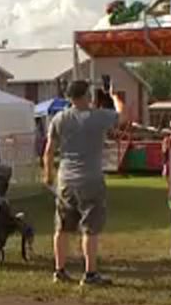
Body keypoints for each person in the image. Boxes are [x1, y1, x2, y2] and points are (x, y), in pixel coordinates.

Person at [43, 80, 127, 287]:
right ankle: (90, 274)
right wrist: (115, 97)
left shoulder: (59, 119)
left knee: (61, 227)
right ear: (85, 95)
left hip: (66, 180)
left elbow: (48, 151)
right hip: (90, 178)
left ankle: (59, 271)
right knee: (90, 228)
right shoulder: (97, 116)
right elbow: (124, 116)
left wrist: (49, 175)